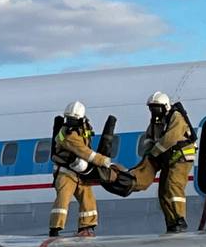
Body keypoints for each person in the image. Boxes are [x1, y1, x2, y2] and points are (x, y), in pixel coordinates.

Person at [130, 91, 197, 232]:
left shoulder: (176, 117)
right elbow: (149, 137)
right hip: (169, 157)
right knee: (163, 191)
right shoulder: (156, 121)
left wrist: (154, 152)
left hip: (183, 155)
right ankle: (171, 222)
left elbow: (171, 138)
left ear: (165, 106)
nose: (154, 111)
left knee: (173, 185)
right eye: (152, 108)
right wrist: (147, 151)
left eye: (156, 108)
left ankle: (180, 218)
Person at [49, 100, 114, 238]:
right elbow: (84, 151)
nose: (70, 122)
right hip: (66, 172)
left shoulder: (84, 128)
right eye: (68, 119)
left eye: (73, 120)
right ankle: (55, 229)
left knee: (88, 197)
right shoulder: (67, 134)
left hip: (79, 171)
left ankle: (86, 227)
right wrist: (102, 160)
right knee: (63, 200)